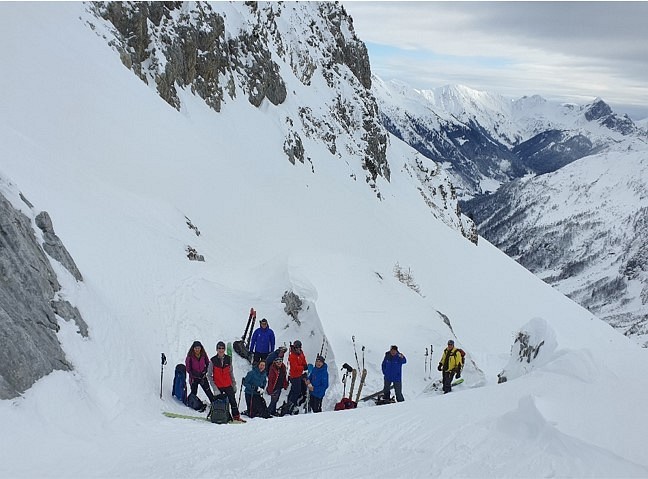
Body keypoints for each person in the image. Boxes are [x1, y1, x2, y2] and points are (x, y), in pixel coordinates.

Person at [209, 341, 243, 421]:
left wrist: (233, 384)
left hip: (228, 385)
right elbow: (209, 375)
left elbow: (230, 372)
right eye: (219, 348)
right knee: (218, 403)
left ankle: (236, 417)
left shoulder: (228, 359)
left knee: (233, 402)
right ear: (216, 349)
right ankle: (217, 416)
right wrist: (215, 388)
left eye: (222, 348)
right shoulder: (213, 361)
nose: (221, 350)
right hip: (218, 386)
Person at [287, 340, 308, 412]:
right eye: (297, 347)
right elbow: (295, 367)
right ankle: (292, 404)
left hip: (300, 375)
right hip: (294, 376)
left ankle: (290, 402)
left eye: (299, 347)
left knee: (296, 389)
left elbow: (303, 359)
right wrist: (302, 367)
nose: (298, 349)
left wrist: (305, 365)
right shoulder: (292, 356)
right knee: (296, 390)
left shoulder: (301, 353)